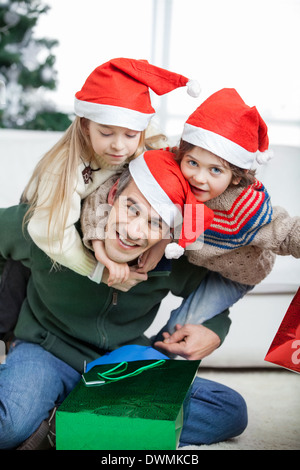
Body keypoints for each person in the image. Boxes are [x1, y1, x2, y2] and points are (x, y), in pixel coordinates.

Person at [0, 151, 247, 450]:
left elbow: (210, 293)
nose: (134, 231)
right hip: (46, 351)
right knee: (9, 427)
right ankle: (98, 419)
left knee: (229, 410)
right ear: (113, 193)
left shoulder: (168, 259)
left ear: (169, 235)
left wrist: (214, 330)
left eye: (155, 224)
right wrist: (8, 326)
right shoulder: (55, 228)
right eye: (131, 208)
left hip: (121, 366)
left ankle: (58, 424)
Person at [81, 88, 300, 353]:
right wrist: (99, 242)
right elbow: (107, 191)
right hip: (194, 255)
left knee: (180, 328)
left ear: (236, 177)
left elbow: (288, 232)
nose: (198, 177)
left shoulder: (246, 208)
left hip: (235, 273)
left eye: (215, 170)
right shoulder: (170, 167)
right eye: (193, 163)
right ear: (182, 155)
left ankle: (146, 372)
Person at [0, 57, 200, 337]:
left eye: (130, 134)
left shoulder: (150, 146)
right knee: (8, 314)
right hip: (35, 234)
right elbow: (49, 232)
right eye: (106, 133)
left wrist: (167, 238)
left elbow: (188, 196)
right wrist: (97, 270)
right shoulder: (63, 170)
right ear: (85, 126)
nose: (119, 146)